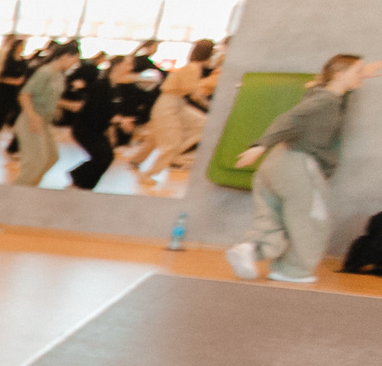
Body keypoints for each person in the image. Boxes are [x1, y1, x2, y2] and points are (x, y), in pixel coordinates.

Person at [227, 54, 377, 285]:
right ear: (339, 75)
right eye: (357, 71)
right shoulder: (324, 101)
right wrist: (259, 146)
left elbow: (341, 85)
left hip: (276, 163)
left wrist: (361, 72)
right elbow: (290, 119)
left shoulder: (322, 94)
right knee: (311, 221)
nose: (361, 75)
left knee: (275, 218)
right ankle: (292, 270)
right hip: (298, 164)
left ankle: (250, 248)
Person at [140, 40, 217, 189]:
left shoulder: (192, 67)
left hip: (176, 104)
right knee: (171, 144)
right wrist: (209, 105)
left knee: (200, 124)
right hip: (170, 105)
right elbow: (194, 93)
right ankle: (148, 174)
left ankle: (167, 158)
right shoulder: (194, 68)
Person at [13, 44, 75, 189]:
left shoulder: (59, 75)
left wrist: (65, 106)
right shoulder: (45, 72)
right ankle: (15, 191)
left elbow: (50, 97)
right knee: (36, 161)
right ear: (65, 56)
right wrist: (32, 117)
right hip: (31, 120)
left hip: (45, 121)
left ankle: (29, 187)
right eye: (74, 60)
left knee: (52, 157)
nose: (74, 64)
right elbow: (24, 95)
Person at [62, 50, 116, 190]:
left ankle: (80, 184)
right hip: (86, 128)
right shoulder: (97, 78)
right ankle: (78, 182)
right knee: (103, 157)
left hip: (93, 128)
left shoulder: (109, 84)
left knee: (106, 157)